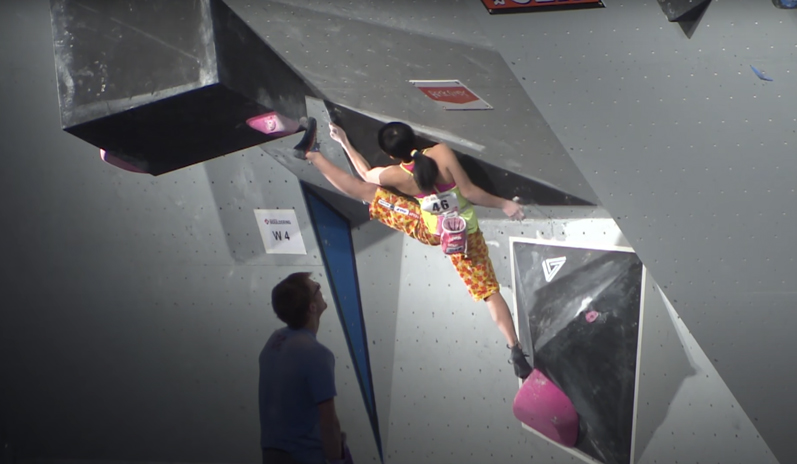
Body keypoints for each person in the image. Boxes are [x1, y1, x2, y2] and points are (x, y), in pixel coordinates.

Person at [293, 117, 532, 379]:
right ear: (415, 138)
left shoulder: (396, 174)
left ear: (389, 154)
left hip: (431, 231)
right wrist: (504, 204)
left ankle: (313, 155)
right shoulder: (441, 152)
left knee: (367, 193)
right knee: (489, 291)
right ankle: (514, 347)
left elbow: (364, 175)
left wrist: (344, 141)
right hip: (466, 235)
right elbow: (471, 192)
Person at [259, 272, 352, 464]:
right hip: (303, 457)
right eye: (317, 288)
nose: (320, 288)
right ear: (312, 307)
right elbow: (329, 423)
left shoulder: (275, 340)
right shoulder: (317, 354)